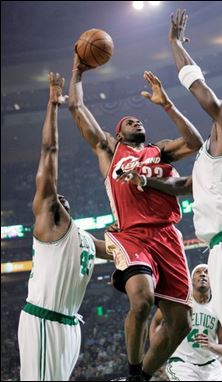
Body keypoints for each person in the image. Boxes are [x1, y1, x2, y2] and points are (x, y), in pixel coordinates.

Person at [118, 9, 222, 381]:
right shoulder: (216, 154)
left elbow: (198, 88)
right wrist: (147, 182)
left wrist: (174, 44)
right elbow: (182, 186)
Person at [68, 52, 204, 381]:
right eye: (128, 122)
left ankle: (139, 376)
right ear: (117, 134)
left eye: (138, 120)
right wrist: (77, 73)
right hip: (131, 235)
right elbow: (77, 109)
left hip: (168, 236)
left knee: (181, 323)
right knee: (141, 300)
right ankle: (131, 369)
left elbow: (196, 142)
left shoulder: (160, 149)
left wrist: (167, 104)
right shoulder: (109, 150)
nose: (136, 122)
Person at [17, 73, 112, 381]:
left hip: (71, 325)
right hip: (43, 320)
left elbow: (121, 251)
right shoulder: (48, 222)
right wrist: (53, 106)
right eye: (53, 195)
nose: (57, 196)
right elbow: (49, 151)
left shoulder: (83, 238)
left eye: (61, 196)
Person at [150, 264, 222, 381]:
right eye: (198, 272)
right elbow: (156, 321)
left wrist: (211, 345)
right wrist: (155, 347)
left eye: (206, 272)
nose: (202, 274)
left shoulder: (219, 306)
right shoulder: (180, 300)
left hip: (211, 365)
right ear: (191, 281)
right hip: (182, 363)